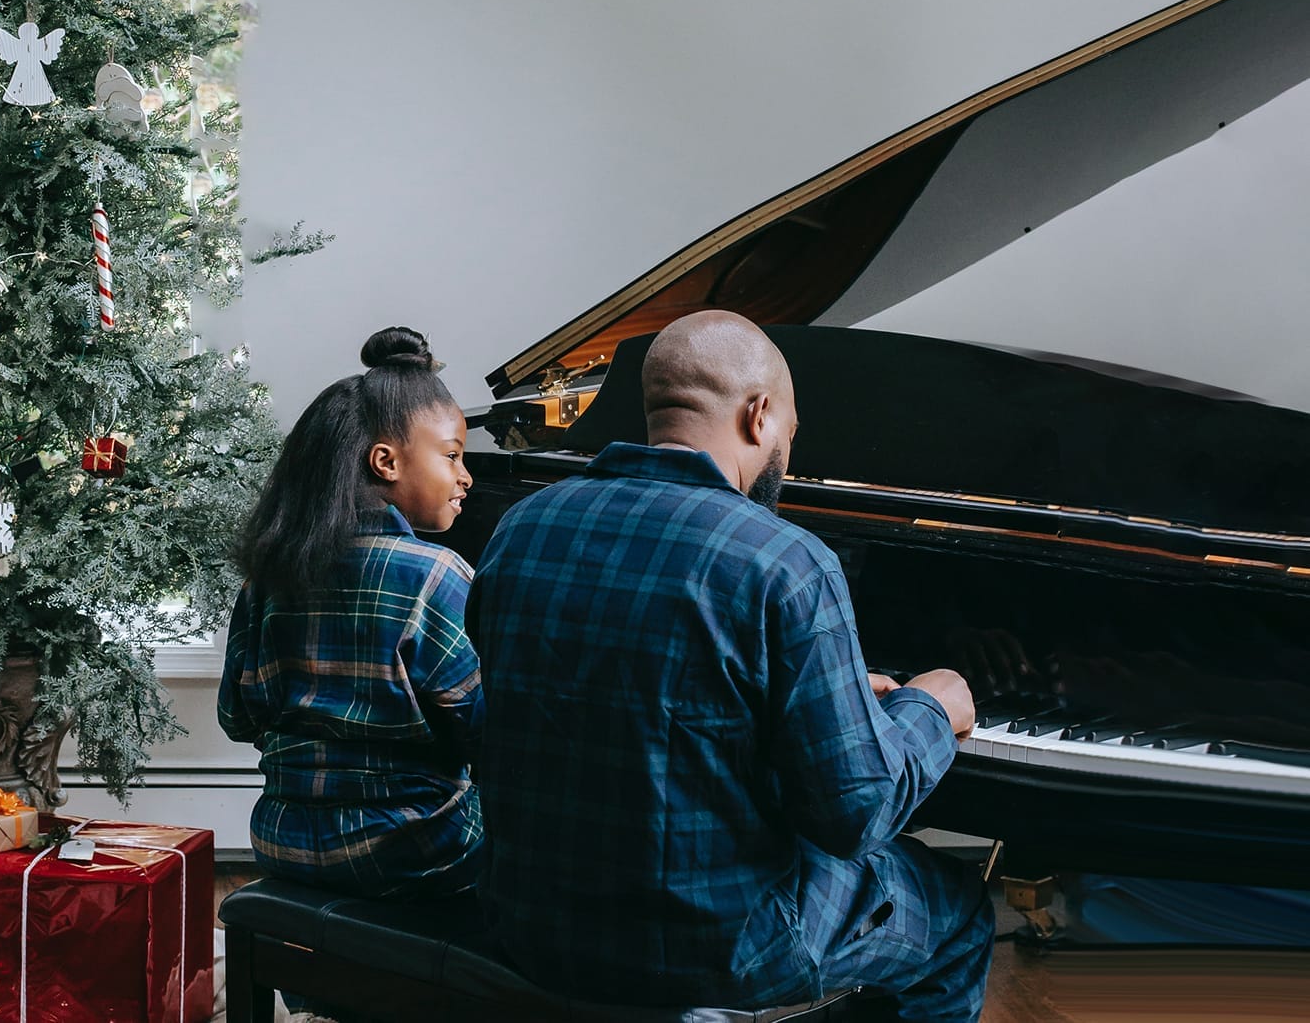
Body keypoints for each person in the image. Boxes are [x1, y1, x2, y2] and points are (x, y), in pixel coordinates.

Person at [468, 310, 993, 1020]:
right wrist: (929, 706)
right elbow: (855, 817)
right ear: (760, 415)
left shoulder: (520, 528)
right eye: (790, 436)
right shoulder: (787, 561)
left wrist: (801, 703)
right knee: (958, 912)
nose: (788, 459)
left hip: (529, 924)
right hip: (718, 951)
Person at [218, 326, 483, 898]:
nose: (466, 476)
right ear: (385, 461)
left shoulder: (267, 580)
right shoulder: (434, 576)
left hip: (280, 843)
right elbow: (483, 730)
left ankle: (326, 984)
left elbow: (237, 720)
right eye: (453, 455)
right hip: (415, 850)